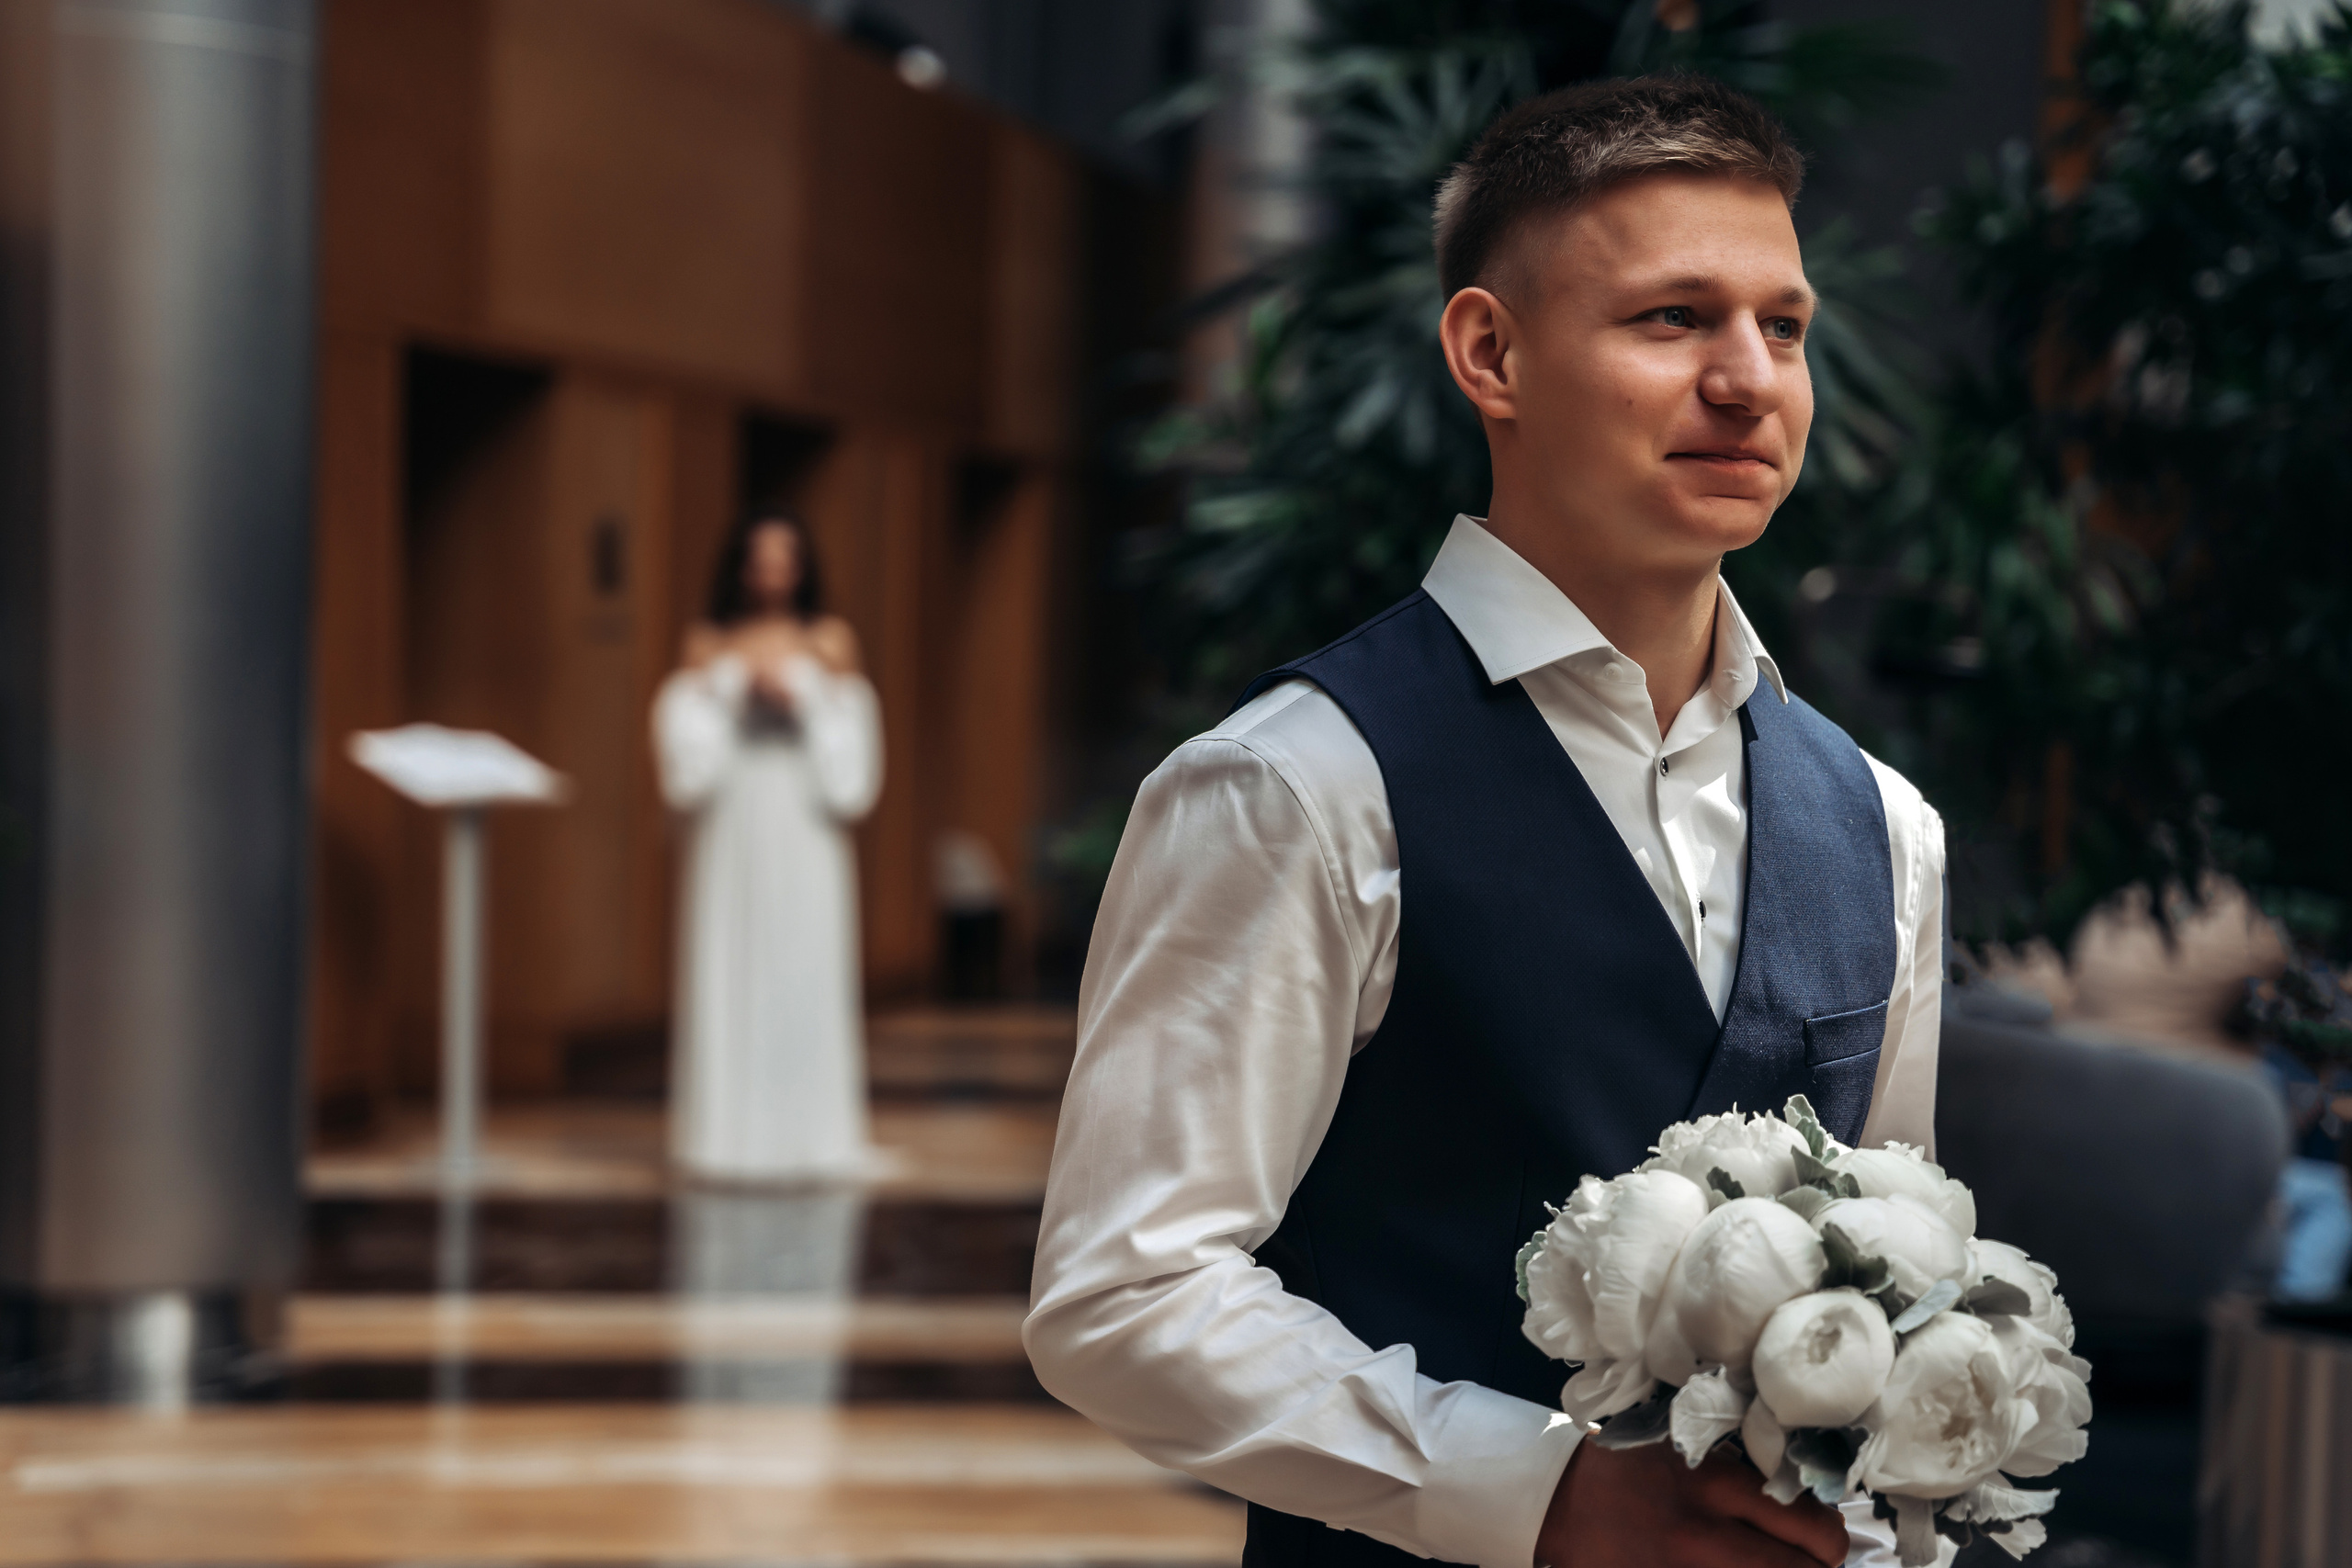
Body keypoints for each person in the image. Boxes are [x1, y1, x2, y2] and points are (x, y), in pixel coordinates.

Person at [1023, 77, 1948, 1568]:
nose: (1748, 379)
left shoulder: (1884, 822)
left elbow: (1897, 1262)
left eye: (1783, 326)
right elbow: (1123, 1297)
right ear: (1490, 350)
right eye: (1673, 319)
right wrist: (1540, 1492)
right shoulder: (1296, 785)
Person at [653, 513, 883, 1183]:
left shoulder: (831, 641)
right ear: (740, 566)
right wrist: (730, 694)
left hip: (803, 821)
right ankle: (727, 1136)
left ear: (804, 566)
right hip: (734, 819)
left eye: (786, 558)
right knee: (730, 953)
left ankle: (807, 1135)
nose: (773, 572)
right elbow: (685, 753)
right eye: (760, 559)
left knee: (803, 962)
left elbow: (854, 757)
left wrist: (805, 704)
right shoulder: (707, 642)